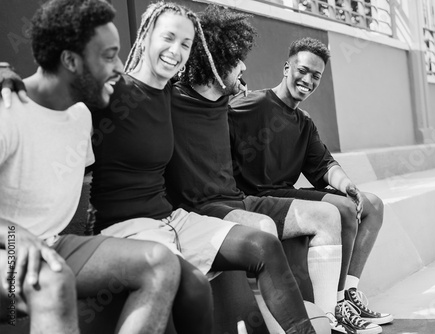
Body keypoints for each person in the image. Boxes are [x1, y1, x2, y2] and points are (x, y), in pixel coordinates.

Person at [88, 2, 317, 333]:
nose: (176, 51)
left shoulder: (171, 94)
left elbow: (213, 90)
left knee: (263, 244)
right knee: (189, 285)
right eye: (168, 38)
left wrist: (236, 83)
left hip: (172, 219)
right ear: (146, 35)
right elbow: (52, 93)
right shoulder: (111, 90)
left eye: (185, 44)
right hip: (126, 226)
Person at [164, 5, 354, 333]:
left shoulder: (227, 102)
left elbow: (321, 162)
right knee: (263, 227)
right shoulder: (172, 99)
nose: (244, 66)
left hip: (239, 199)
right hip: (204, 208)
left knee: (329, 216)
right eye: (236, 59)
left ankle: (328, 318)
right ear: (216, 60)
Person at [0, 1, 181, 333]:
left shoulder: (82, 115)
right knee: (53, 280)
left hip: (51, 244)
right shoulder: (8, 109)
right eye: (109, 56)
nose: (121, 67)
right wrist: (12, 234)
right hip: (7, 246)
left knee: (161, 263)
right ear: (70, 60)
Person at [228, 37, 394, 333]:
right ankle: (335, 304)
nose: (307, 80)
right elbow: (215, 120)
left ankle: (348, 295)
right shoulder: (251, 104)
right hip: (257, 196)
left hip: (284, 191)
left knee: (372, 205)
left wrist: (346, 185)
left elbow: (324, 165)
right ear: (286, 67)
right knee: (342, 209)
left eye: (316, 76)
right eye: (302, 70)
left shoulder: (304, 122)